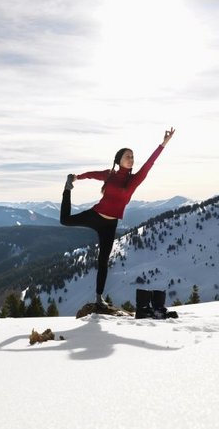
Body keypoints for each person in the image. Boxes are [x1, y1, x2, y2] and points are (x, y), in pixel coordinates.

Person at [60, 127, 175, 308]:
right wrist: (76, 178)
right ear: (119, 160)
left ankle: (99, 298)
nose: (132, 159)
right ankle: (66, 190)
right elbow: (92, 175)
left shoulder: (134, 180)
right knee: (65, 220)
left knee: (103, 260)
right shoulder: (109, 174)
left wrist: (164, 143)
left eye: (133, 156)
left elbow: (149, 164)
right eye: (128, 156)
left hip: (110, 224)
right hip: (95, 215)